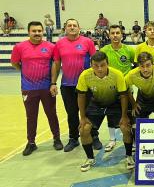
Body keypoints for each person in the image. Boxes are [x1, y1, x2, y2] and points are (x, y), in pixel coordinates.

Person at [10, 21, 63, 156]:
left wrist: (53, 83)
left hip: (47, 87)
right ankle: (31, 143)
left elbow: (55, 65)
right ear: (29, 32)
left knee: (51, 114)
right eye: (34, 31)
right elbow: (15, 63)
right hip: (28, 88)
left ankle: (56, 139)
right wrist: (25, 70)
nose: (37, 33)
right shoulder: (19, 47)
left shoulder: (51, 47)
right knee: (31, 116)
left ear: (43, 32)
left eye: (39, 31)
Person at [76, 51, 133, 172]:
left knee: (126, 127)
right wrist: (82, 117)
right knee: (84, 129)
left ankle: (129, 156)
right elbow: (81, 96)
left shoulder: (117, 74)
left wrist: (124, 116)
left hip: (115, 103)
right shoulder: (85, 75)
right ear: (91, 65)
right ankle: (90, 158)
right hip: (96, 104)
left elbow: (123, 96)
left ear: (108, 63)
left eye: (102, 65)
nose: (99, 69)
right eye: (95, 66)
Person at [50, 18, 96, 152]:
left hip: (85, 85)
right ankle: (73, 139)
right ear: (65, 28)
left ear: (79, 28)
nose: (72, 27)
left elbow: (95, 61)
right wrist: (53, 82)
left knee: (89, 112)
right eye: (69, 25)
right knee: (72, 113)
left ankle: (93, 136)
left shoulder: (87, 42)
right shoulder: (59, 44)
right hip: (67, 85)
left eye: (74, 25)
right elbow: (57, 64)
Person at [100, 25, 135, 152]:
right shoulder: (104, 50)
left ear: (122, 35)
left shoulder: (129, 50)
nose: (115, 35)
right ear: (109, 35)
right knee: (111, 114)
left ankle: (134, 139)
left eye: (117, 33)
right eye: (112, 33)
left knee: (130, 114)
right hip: (110, 89)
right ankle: (112, 139)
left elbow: (135, 66)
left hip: (126, 89)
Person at [125, 52, 154, 120]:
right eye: (142, 66)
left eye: (148, 65)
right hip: (143, 101)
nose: (145, 69)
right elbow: (124, 87)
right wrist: (133, 103)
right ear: (138, 66)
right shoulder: (132, 74)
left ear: (153, 64)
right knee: (137, 126)